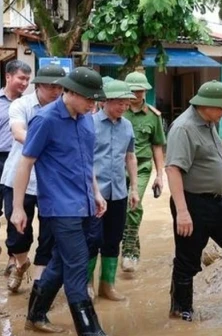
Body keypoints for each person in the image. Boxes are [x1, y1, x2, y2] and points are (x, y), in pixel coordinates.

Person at [10, 67, 108, 335]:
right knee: (77, 266)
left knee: (61, 262)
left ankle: (35, 316)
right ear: (72, 92)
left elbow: (87, 163)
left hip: (85, 202)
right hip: (60, 207)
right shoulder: (46, 119)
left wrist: (96, 193)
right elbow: (26, 162)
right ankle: (90, 330)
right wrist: (18, 208)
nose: (93, 105)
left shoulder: (87, 119)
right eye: (89, 99)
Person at [165, 80, 222, 321]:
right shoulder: (184, 128)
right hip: (193, 204)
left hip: (218, 202)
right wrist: (183, 212)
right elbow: (173, 169)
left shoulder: (208, 122)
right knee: (188, 260)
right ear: (206, 105)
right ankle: (180, 309)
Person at [1, 65, 65, 293]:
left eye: (60, 87)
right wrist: (51, 142)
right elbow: (18, 133)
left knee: (49, 234)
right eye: (51, 86)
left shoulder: (65, 109)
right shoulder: (22, 105)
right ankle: (20, 262)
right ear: (39, 85)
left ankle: (39, 286)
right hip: (19, 179)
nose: (56, 91)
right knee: (17, 234)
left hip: (51, 183)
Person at [88, 80, 139, 302]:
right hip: (93, 192)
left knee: (113, 238)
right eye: (119, 103)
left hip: (118, 191)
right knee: (92, 238)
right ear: (105, 101)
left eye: (126, 104)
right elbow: (85, 161)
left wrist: (134, 188)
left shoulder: (127, 126)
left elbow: (130, 157)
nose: (123, 107)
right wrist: (95, 191)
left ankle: (107, 285)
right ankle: (86, 284)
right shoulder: (88, 124)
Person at [121, 71, 165, 273]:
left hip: (142, 166)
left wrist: (159, 176)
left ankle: (129, 251)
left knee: (134, 203)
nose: (138, 95)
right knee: (119, 208)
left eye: (141, 91)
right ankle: (130, 245)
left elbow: (157, 146)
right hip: (117, 167)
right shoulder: (118, 112)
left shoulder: (153, 116)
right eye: (134, 91)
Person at [0, 60, 31, 224]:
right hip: (0, 157)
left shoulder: (28, 105)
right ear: (8, 77)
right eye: (21, 78)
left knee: (13, 206)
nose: (25, 83)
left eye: (28, 79)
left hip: (18, 161)